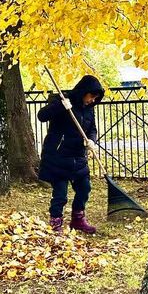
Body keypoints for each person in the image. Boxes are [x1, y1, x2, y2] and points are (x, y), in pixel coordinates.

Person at [38, 75, 105, 234]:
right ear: (83, 91)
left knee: (84, 188)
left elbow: (92, 129)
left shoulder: (89, 109)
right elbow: (42, 116)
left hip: (77, 157)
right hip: (58, 155)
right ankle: (56, 224)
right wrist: (61, 106)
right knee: (60, 194)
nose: (92, 100)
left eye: (96, 98)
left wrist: (91, 140)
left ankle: (77, 220)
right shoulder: (63, 100)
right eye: (91, 96)